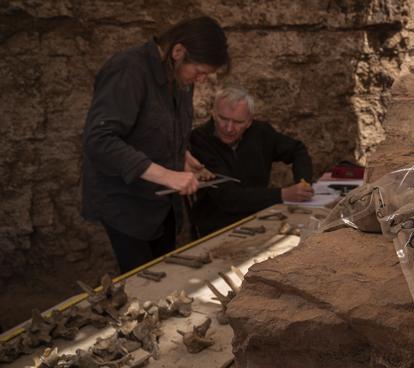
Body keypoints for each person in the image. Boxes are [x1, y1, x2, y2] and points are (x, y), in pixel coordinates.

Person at [81, 16, 229, 273]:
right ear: (178, 51)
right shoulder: (128, 70)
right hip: (126, 203)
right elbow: (99, 140)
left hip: (163, 204)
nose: (201, 80)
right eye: (200, 72)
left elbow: (155, 127)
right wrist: (167, 175)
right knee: (142, 282)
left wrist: (181, 156)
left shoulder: (180, 78)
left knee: (165, 276)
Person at [189, 85, 314, 236]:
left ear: (249, 122)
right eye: (223, 119)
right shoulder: (199, 140)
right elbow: (228, 197)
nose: (229, 128)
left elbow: (297, 150)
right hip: (216, 226)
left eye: (238, 122)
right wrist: (283, 194)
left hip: (262, 218)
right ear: (213, 114)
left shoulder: (260, 132)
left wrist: (303, 183)